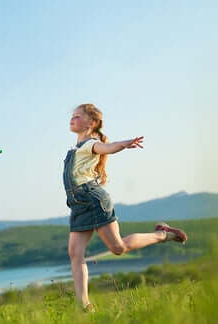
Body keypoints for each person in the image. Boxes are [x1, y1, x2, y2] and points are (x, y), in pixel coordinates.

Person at [63, 103, 187, 312]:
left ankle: (162, 235)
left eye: (77, 116)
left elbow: (108, 148)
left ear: (91, 123)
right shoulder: (74, 149)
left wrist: (124, 144)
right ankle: (85, 306)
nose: (72, 119)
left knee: (118, 248)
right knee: (75, 253)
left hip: (93, 200)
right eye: (72, 116)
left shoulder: (90, 144)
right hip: (78, 205)